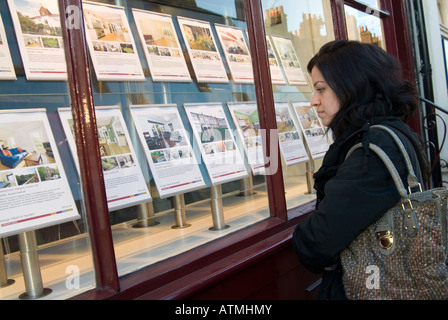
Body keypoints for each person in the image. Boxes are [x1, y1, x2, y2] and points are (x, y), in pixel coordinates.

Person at [292, 40, 430, 300]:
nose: (313, 101)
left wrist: (302, 233)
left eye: (321, 89)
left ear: (352, 87)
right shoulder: (391, 132)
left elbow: (317, 242)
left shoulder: (374, 149)